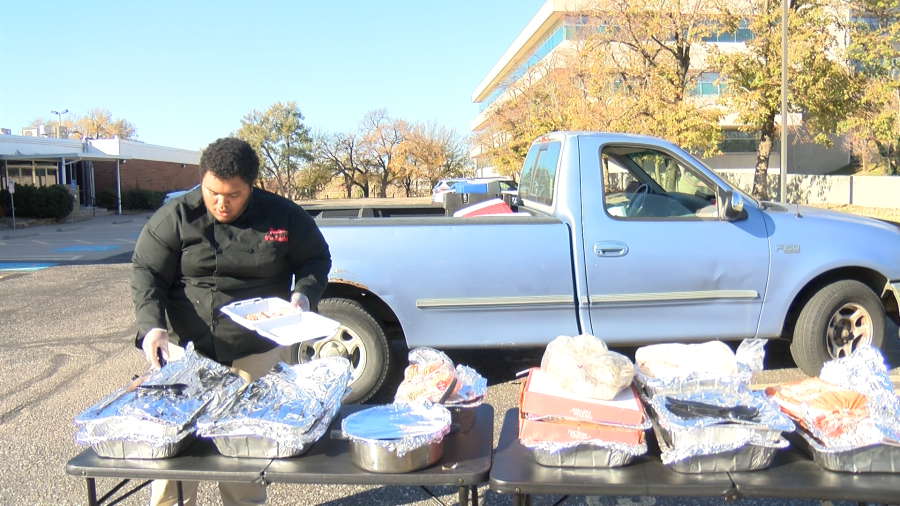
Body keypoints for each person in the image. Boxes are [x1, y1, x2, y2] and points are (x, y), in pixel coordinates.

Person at [131, 137, 331, 506]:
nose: (221, 203)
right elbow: (147, 271)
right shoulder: (176, 216)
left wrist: (303, 294)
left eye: (234, 195)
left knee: (243, 457)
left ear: (251, 187)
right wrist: (151, 326)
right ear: (202, 180)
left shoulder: (282, 216)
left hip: (253, 351)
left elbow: (315, 260)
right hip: (186, 351)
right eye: (212, 192)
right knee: (173, 454)